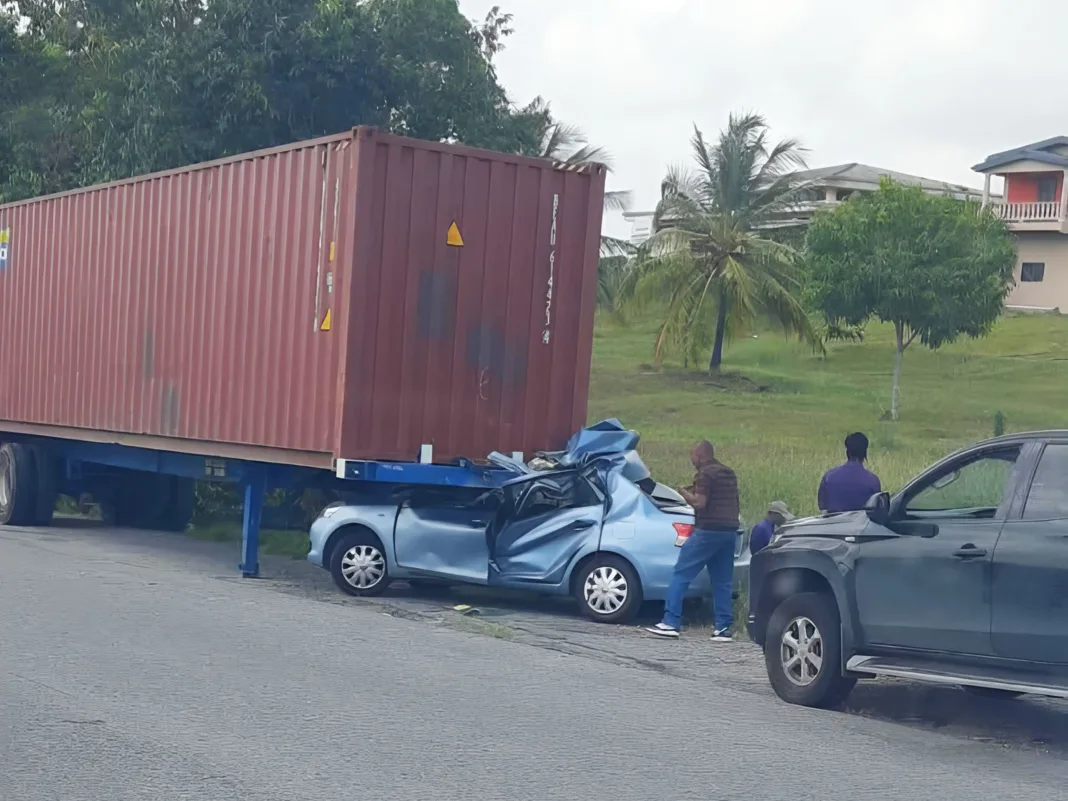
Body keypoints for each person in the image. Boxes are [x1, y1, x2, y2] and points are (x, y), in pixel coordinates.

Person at [646, 441, 739, 641]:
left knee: (681, 573)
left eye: (692, 456)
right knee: (722, 581)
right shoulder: (728, 473)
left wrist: (683, 492)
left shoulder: (704, 474)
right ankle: (723, 628)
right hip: (729, 532)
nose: (691, 460)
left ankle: (671, 622)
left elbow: (700, 502)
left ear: (700, 456)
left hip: (708, 531)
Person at [818, 432, 881, 513]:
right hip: (860, 524)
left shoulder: (829, 477)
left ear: (847, 452)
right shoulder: (873, 481)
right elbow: (877, 511)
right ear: (865, 453)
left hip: (833, 524)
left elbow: (822, 507)